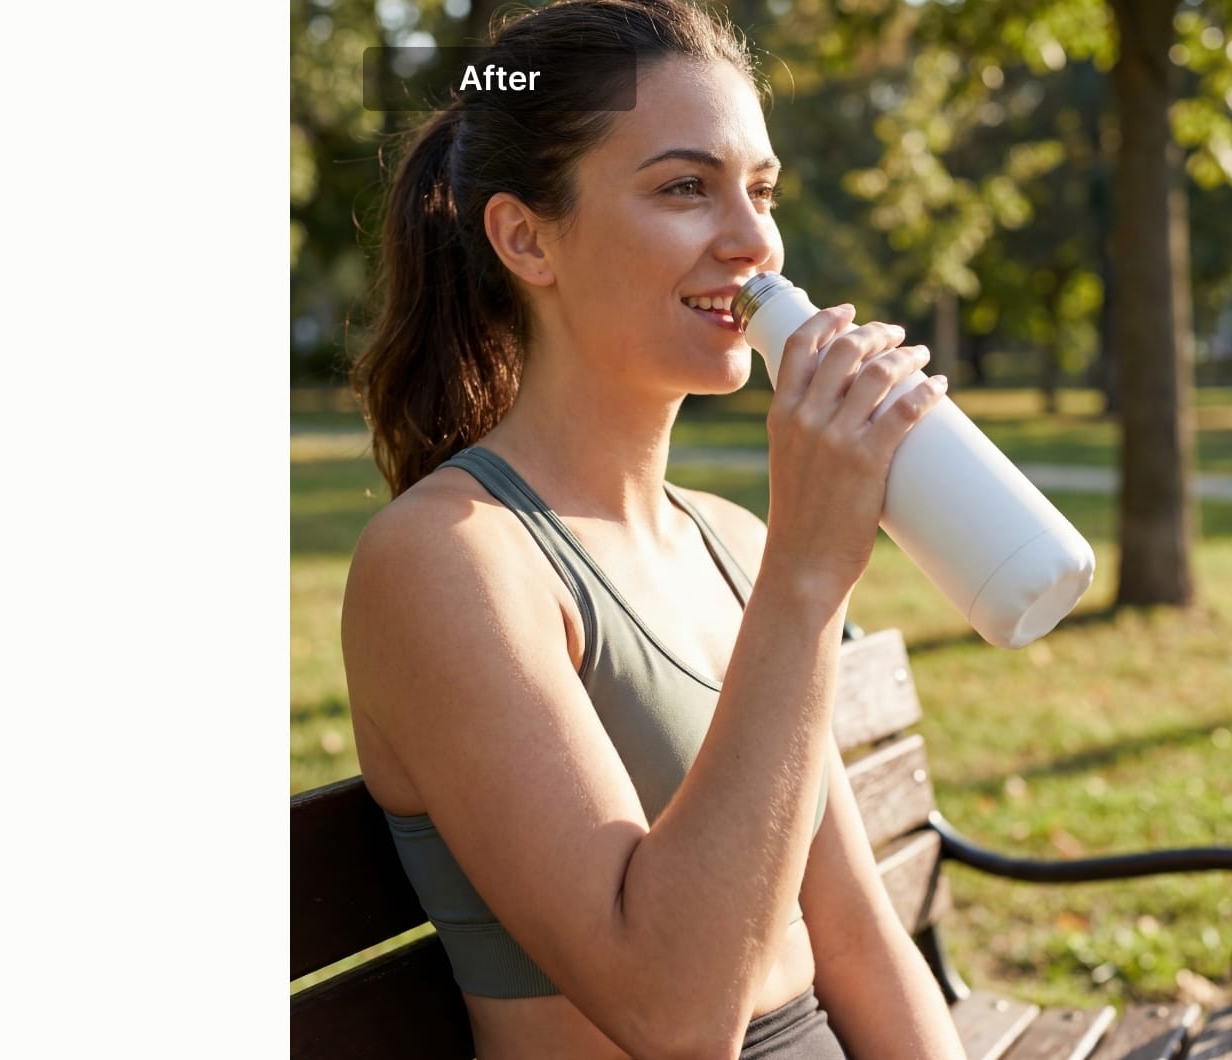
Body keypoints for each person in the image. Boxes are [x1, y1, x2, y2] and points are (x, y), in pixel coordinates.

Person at [339, 2, 970, 1057]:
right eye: (687, 187)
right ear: (526, 236)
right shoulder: (451, 560)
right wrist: (810, 579)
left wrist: (794, 571)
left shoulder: (727, 541)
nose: (753, 239)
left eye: (760, 191)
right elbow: (677, 1015)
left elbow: (859, 945)